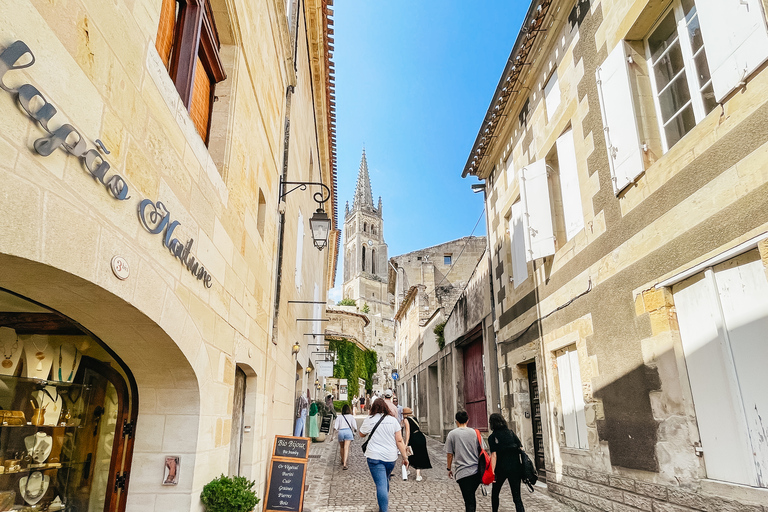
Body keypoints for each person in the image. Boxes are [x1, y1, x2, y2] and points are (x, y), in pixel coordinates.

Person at [359, 398, 409, 512]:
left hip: (374, 457)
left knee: (381, 483)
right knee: (385, 479)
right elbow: (399, 441)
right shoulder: (393, 420)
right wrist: (405, 457)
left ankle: (384, 509)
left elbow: (361, 434)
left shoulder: (369, 419)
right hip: (391, 457)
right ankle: (383, 505)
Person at [445, 411, 485, 512]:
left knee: (469, 500)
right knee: (470, 497)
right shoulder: (475, 433)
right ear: (468, 420)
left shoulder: (452, 434)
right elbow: (483, 449)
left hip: (462, 472)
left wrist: (448, 468)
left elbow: (449, 454)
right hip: (476, 471)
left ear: (456, 421)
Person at [488, 413, 525, 512]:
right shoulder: (511, 433)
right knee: (517, 497)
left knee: (495, 493)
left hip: (500, 469)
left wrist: (492, 472)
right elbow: (520, 448)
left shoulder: (493, 437)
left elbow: (494, 455)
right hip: (515, 468)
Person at [402, 407, 431, 481]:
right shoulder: (415, 418)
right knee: (418, 455)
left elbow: (408, 432)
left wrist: (406, 443)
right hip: (420, 437)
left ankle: (407, 471)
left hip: (413, 438)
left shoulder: (406, 420)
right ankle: (417, 474)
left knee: (409, 454)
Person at [332, 404, 357, 469]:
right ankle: (345, 463)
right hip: (348, 432)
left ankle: (342, 460)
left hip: (341, 432)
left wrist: (333, 435)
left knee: (342, 447)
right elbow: (355, 426)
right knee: (346, 447)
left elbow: (335, 427)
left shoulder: (339, 417)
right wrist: (355, 431)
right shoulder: (351, 417)